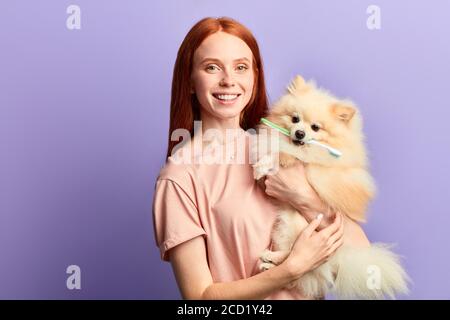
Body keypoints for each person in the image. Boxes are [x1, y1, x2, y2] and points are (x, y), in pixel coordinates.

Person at [152, 17, 345, 300]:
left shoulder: (292, 147)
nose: (228, 80)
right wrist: (291, 269)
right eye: (212, 67)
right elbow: (200, 298)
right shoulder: (180, 177)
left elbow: (360, 254)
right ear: (190, 81)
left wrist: (304, 196)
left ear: (255, 76)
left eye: (241, 67)